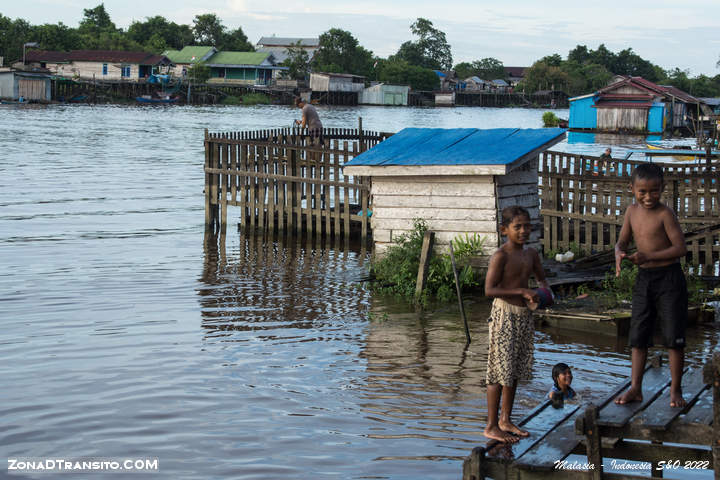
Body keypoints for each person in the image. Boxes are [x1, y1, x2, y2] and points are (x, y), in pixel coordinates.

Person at [614, 163, 688, 408]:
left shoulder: (665, 214)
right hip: (644, 280)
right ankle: (635, 387)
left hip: (669, 278)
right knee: (638, 334)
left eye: (654, 191)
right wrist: (619, 253)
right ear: (632, 189)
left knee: (673, 335)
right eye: (642, 191)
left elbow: (680, 249)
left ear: (662, 188)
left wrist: (649, 257)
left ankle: (675, 390)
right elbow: (622, 242)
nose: (648, 197)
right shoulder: (631, 212)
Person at [483, 206, 551, 443]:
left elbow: (542, 279)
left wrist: (542, 295)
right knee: (498, 370)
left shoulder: (531, 254)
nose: (523, 231)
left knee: (513, 370)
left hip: (523, 316)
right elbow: (489, 290)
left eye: (527, 226)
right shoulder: (501, 256)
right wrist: (521, 290)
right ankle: (491, 425)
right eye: (517, 227)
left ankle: (505, 419)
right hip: (504, 315)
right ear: (504, 230)